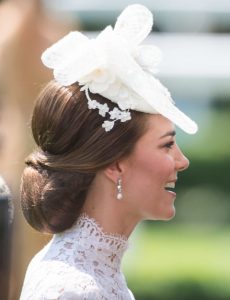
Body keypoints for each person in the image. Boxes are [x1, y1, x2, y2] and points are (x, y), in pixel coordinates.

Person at [19, 4, 198, 300]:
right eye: (167, 145)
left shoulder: (94, 270)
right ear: (115, 163)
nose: (182, 161)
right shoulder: (75, 289)